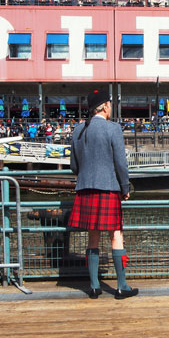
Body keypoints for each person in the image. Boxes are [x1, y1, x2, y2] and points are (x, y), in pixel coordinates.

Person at [68, 89, 138, 300]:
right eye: (110, 104)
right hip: (108, 188)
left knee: (93, 237)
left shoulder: (78, 130)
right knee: (116, 235)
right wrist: (125, 188)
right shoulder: (113, 129)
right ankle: (122, 286)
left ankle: (94, 287)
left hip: (85, 189)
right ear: (105, 106)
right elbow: (121, 164)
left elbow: (73, 165)